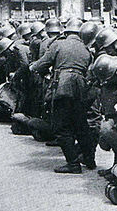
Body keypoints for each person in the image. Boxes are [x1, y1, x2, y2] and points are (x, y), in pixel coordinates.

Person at [30, 20, 95, 174]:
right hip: (80, 88)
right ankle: (89, 159)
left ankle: (73, 164)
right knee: (81, 125)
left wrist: (32, 66)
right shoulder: (86, 49)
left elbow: (43, 63)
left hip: (62, 87)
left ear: (65, 32)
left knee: (62, 126)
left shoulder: (58, 45)